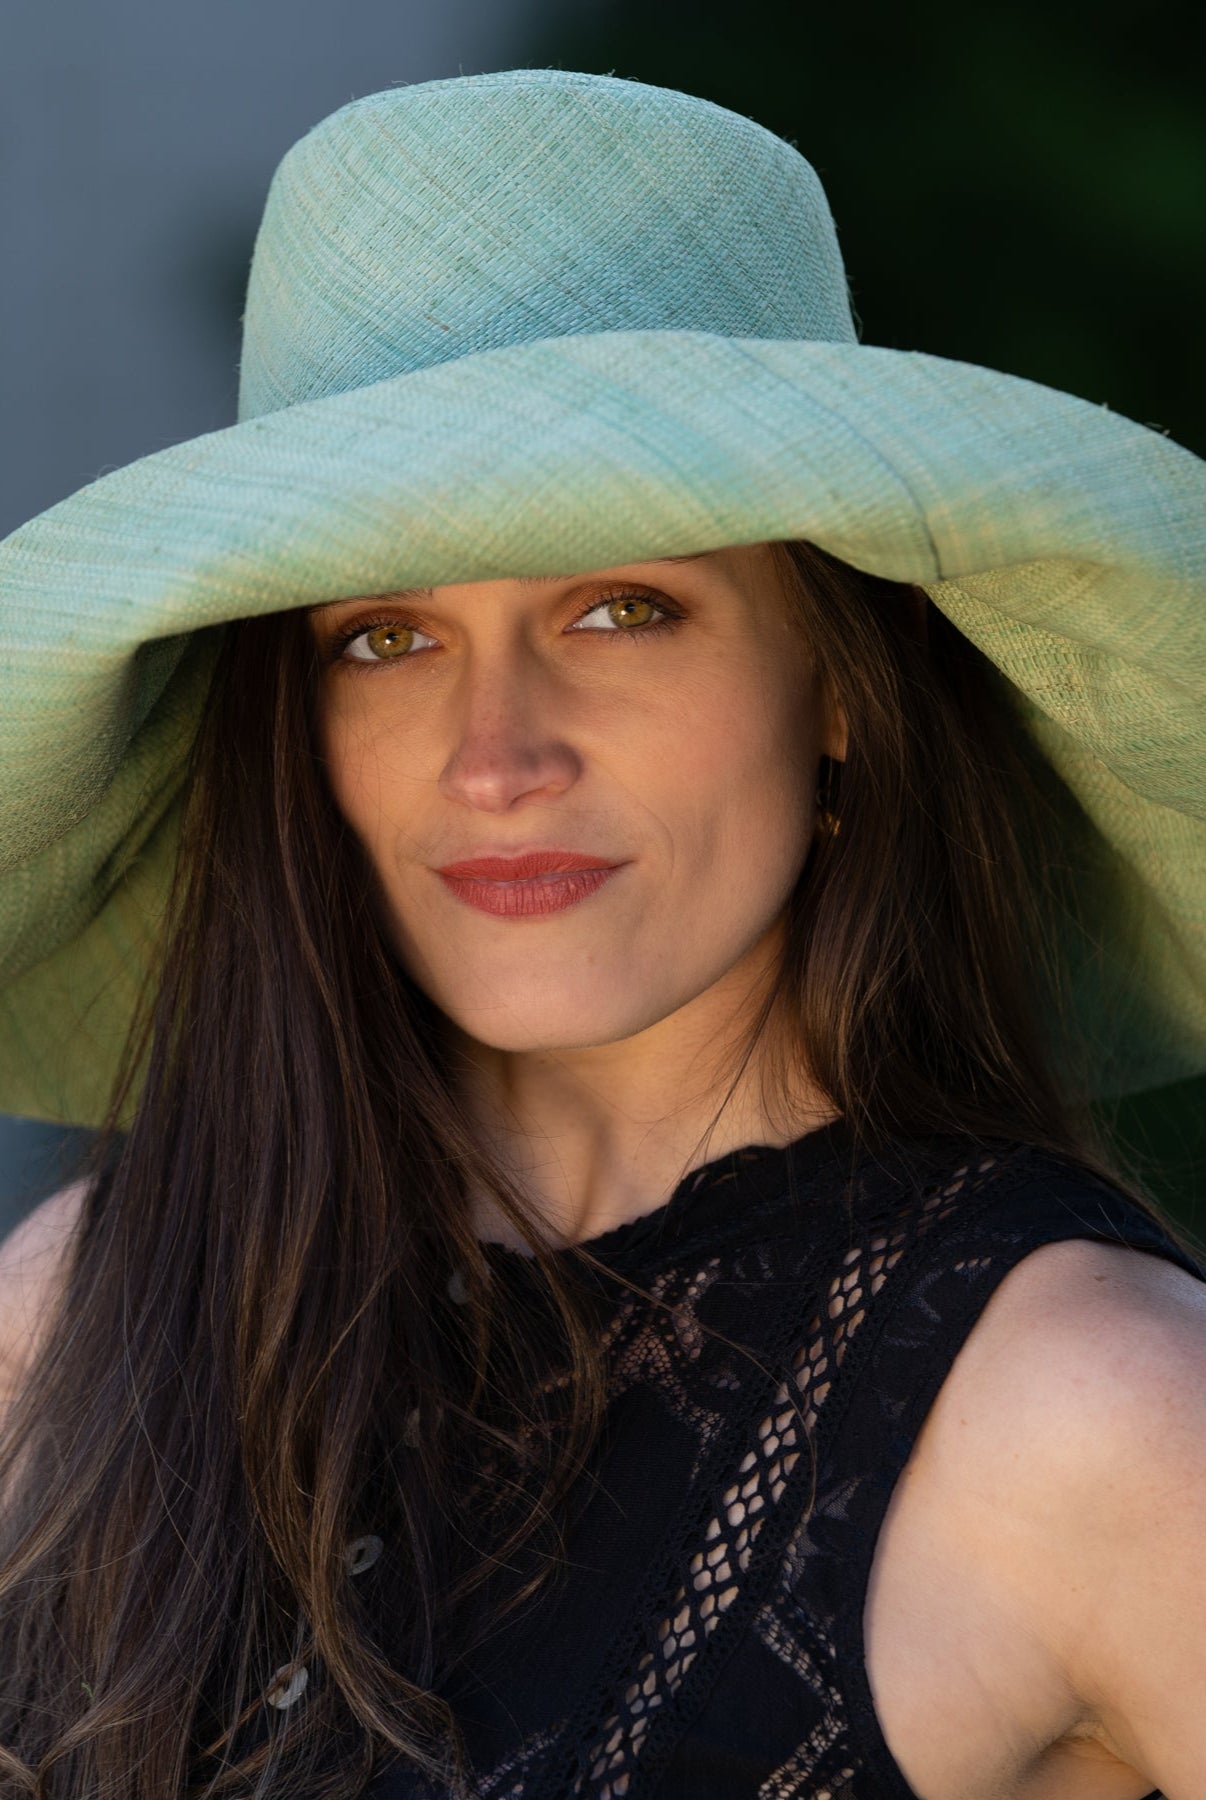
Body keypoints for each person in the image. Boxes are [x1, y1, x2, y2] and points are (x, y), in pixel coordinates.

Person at [0, 66, 1204, 1800]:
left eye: (623, 607)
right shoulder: (87, 1314)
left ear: (839, 689)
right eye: (385, 639)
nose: (495, 759)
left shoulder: (1096, 1417)